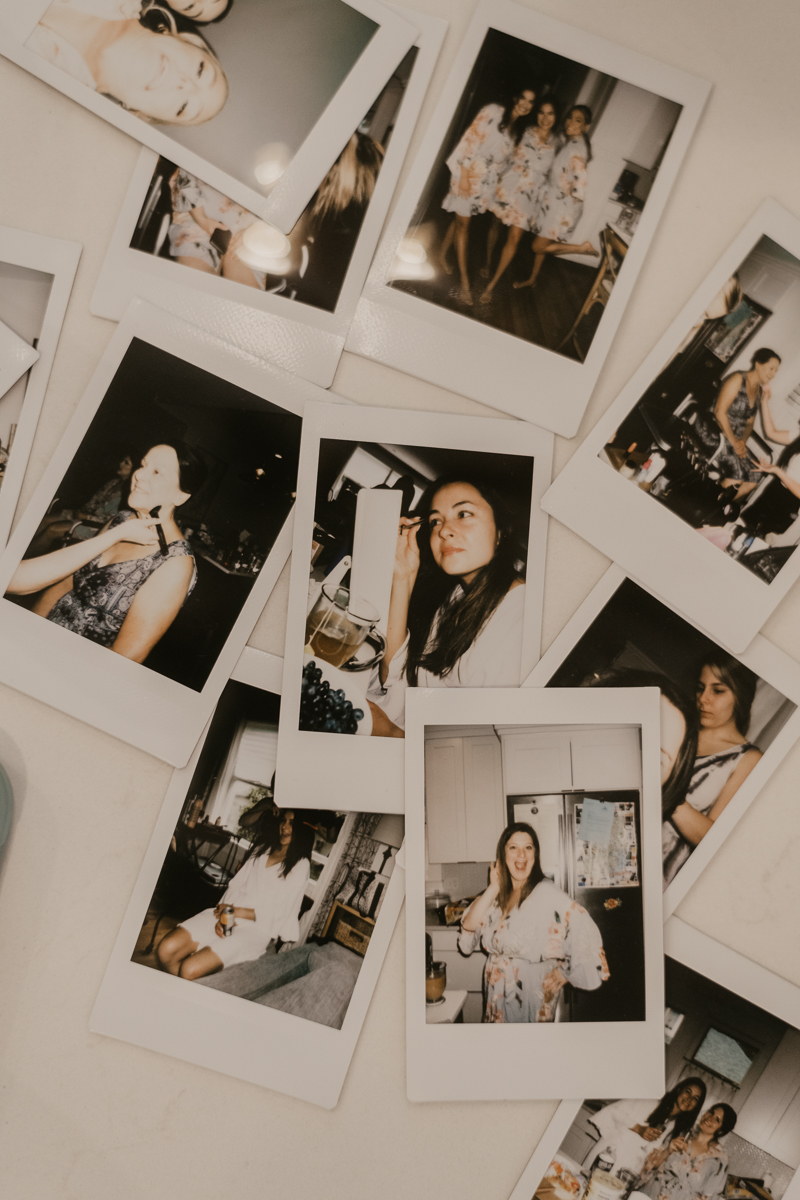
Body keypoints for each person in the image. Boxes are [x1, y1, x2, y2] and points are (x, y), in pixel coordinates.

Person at [7, 442, 206, 663]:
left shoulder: (174, 562)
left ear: (181, 496)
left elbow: (125, 657)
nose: (139, 475)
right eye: (143, 465)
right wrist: (28, 632)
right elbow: (66, 581)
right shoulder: (120, 522)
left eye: (157, 472)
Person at [367, 476, 528, 734]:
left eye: (463, 513)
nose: (443, 530)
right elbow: (394, 677)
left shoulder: (520, 627)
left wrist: (394, 734)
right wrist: (403, 575)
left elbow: (475, 751)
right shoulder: (456, 595)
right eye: (435, 521)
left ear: (501, 531)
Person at [458, 823, 608, 1022]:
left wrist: (566, 972)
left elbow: (584, 929)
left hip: (529, 995)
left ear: (535, 855)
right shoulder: (497, 896)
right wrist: (494, 887)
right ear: (502, 855)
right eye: (513, 847)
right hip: (496, 995)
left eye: (528, 847)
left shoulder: (546, 893)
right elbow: (468, 927)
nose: (521, 854)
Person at [155, 809, 313, 980]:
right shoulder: (262, 849)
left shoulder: (301, 865)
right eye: (283, 821)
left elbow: (279, 912)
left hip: (258, 929)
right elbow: (236, 886)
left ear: (302, 829)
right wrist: (226, 918)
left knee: (189, 969)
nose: (285, 826)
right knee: (166, 950)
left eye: (291, 823)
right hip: (229, 914)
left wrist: (235, 912)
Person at [26, 0, 229, 126]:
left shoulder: (42, 98)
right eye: (200, 71)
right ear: (191, 41)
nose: (186, 84)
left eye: (183, 107)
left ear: (142, 115)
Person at [663, 651, 761, 885]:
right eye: (700, 687)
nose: (703, 699)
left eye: (718, 691)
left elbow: (710, 838)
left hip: (663, 869)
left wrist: (667, 787)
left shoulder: (747, 758)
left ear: (740, 696)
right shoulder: (682, 728)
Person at [439, 88, 537, 306]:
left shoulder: (517, 131)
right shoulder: (494, 111)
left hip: (487, 182)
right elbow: (471, 139)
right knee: (463, 224)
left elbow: (505, 163)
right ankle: (465, 284)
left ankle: (442, 254)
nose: (526, 104)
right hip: (468, 172)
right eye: (523, 98)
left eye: (531, 102)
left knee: (460, 219)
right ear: (515, 97)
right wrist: (464, 174)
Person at [479, 97, 560, 304]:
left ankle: (491, 286)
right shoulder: (526, 130)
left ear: (556, 116)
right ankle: (487, 262)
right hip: (508, 184)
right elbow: (507, 151)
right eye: (541, 112)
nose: (545, 118)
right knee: (496, 224)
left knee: (514, 238)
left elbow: (555, 175)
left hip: (530, 195)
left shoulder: (558, 144)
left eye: (550, 113)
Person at [514, 105, 598, 292]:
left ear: (586, 126)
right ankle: (532, 279)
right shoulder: (573, 142)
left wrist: (570, 198)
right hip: (553, 201)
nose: (570, 122)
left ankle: (582, 249)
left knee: (537, 247)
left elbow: (580, 177)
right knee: (544, 244)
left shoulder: (577, 147)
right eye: (569, 117)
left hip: (561, 206)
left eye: (578, 120)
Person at [697, 348, 782, 502]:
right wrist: (735, 442)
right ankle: (708, 504)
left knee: (755, 474)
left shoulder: (757, 392)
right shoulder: (738, 379)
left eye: (776, 371)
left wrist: (742, 441)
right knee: (738, 474)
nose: (773, 374)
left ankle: (724, 508)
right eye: (771, 368)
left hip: (733, 440)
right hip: (713, 430)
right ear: (757, 364)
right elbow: (719, 412)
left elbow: (749, 423)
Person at [167, 168, 267, 289]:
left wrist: (255, 231)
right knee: (195, 288)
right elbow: (186, 175)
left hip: (249, 228)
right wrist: (202, 219)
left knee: (241, 297)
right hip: (197, 217)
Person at [587, 1082, 707, 1176]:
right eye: (688, 1092)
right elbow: (612, 1111)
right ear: (679, 1090)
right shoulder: (648, 1101)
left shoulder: (674, 1127)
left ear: (696, 1106)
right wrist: (638, 1128)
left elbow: (651, 1158)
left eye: (695, 1099)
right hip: (606, 1159)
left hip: (624, 1172)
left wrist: (668, 1150)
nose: (689, 1099)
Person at [29, 452, 134, 554]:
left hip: (97, 527)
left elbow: (113, 521)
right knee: (44, 520)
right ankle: (23, 550)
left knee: (52, 529)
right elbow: (93, 502)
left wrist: (87, 517)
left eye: (126, 463)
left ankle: (25, 559)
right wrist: (82, 511)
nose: (120, 464)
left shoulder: (131, 493)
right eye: (122, 461)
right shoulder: (113, 483)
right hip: (85, 517)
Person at [639, 1104, 738, 1200]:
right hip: (649, 1194)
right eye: (711, 1112)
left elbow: (710, 1196)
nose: (710, 1118)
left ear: (721, 1130)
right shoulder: (681, 1132)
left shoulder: (720, 1160)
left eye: (717, 1120)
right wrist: (668, 1150)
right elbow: (648, 1166)